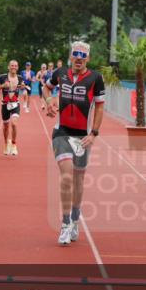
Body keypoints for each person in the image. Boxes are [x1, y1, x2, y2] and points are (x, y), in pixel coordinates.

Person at [45, 41, 106, 246]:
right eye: (76, 54)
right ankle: (64, 224)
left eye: (83, 55)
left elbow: (99, 107)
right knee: (66, 176)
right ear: (71, 56)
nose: (79, 58)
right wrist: (48, 101)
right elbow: (46, 88)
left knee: (78, 180)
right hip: (61, 132)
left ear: (88, 58)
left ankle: (75, 219)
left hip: (82, 136)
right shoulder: (60, 73)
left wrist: (94, 133)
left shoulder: (96, 78)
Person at [0, 60, 27, 156]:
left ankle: (14, 144)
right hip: (5, 104)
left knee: (14, 124)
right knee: (6, 126)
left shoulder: (20, 78)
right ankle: (5, 143)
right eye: (12, 65)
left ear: (17, 67)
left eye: (15, 66)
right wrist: (3, 85)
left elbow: (23, 87)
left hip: (15, 104)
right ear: (8, 67)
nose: (14, 67)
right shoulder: (2, 77)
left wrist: (23, 88)